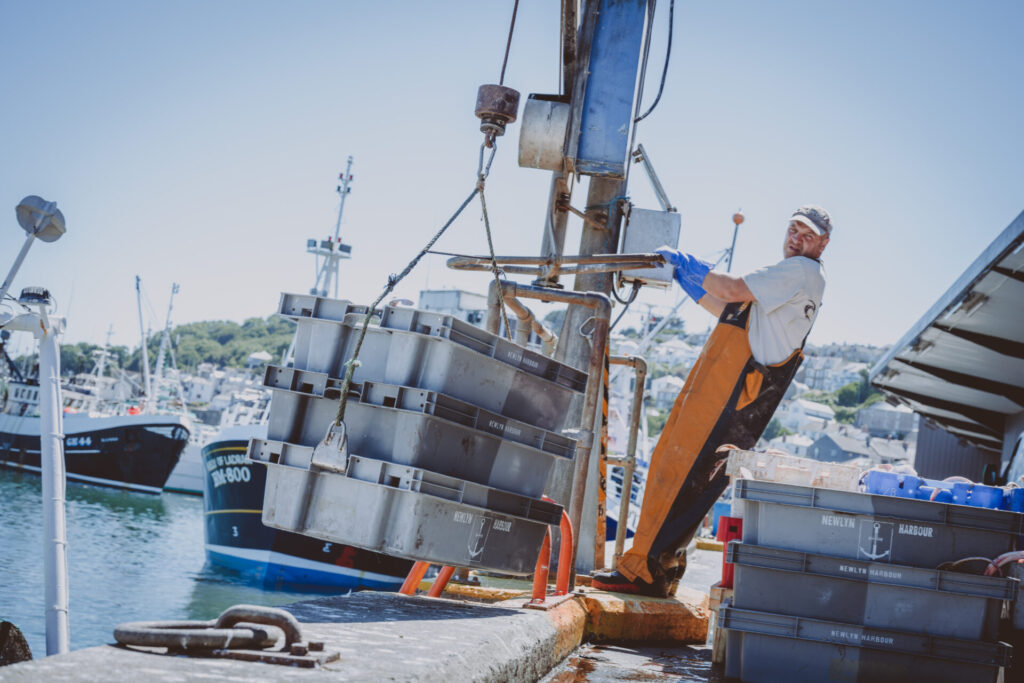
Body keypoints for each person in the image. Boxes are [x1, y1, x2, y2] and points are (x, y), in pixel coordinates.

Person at [593, 205, 832, 597]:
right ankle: (664, 568)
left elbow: (732, 289)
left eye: (808, 235)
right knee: (696, 484)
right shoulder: (796, 282)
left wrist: (690, 264)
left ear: (823, 244)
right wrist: (694, 284)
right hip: (742, 398)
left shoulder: (801, 270)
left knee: (675, 468)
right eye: (793, 229)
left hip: (730, 389)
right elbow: (729, 309)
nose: (797, 239)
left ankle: (641, 571)